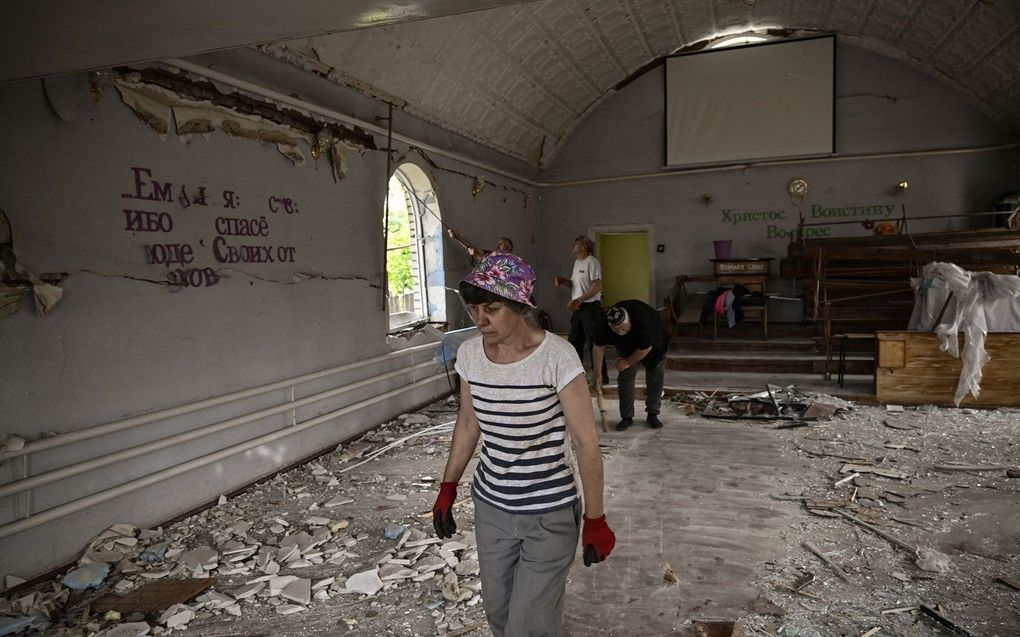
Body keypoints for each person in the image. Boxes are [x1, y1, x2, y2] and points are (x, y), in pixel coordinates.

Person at [432, 252, 615, 636]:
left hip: (547, 513)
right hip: (492, 508)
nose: (479, 320)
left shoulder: (557, 358)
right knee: (500, 616)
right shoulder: (469, 355)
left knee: (527, 627)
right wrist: (448, 488)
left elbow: (585, 442)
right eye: (474, 309)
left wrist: (595, 518)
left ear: (520, 306)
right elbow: (468, 424)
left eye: (492, 309)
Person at [593, 300, 670, 430]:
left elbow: (645, 348)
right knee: (625, 377)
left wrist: (627, 362)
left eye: (623, 327)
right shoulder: (604, 324)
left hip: (656, 345)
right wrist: (597, 373)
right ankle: (626, 417)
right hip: (626, 346)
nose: (620, 330)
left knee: (655, 377)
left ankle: (653, 413)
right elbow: (598, 346)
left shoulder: (642, 320)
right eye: (616, 329)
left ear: (629, 320)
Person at [554, 235, 608, 380]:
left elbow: (597, 286)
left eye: (575, 243)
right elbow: (575, 285)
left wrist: (579, 299)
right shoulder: (577, 262)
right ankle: (576, 375)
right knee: (574, 342)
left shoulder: (592, 262)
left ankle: (602, 376)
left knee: (594, 343)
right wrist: (564, 281)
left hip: (591, 307)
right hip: (578, 308)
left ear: (584, 246)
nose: (572, 246)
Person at [447, 227, 513, 264]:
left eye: (501, 244)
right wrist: (457, 236)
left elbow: (488, 263)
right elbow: (471, 246)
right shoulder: (491, 254)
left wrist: (476, 254)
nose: (498, 246)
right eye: (498, 243)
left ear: (508, 248)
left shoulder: (509, 262)